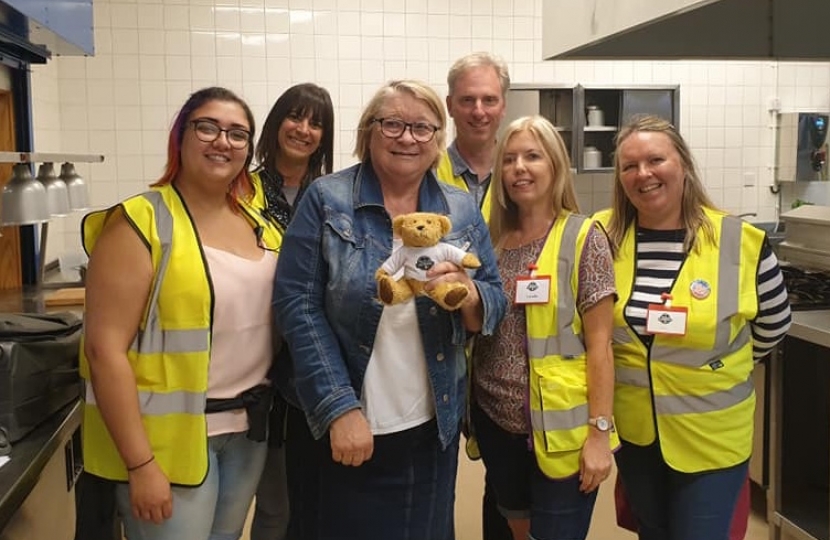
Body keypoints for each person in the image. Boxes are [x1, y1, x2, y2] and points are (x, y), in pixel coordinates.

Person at [273, 79, 507, 539]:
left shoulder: (460, 210)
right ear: (370, 130)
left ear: (438, 140)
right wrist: (339, 407)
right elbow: (296, 305)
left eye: (422, 128)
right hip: (342, 426)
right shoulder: (327, 199)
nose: (407, 138)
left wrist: (472, 294)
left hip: (429, 428)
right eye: (394, 124)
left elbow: (494, 296)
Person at [80, 87, 282, 540]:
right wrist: (140, 464)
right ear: (181, 137)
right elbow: (103, 350)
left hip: (247, 430)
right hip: (164, 443)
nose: (222, 142)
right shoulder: (140, 221)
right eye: (207, 127)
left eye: (237, 134)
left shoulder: (260, 226)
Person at [594, 115, 792, 540]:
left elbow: (774, 325)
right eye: (629, 166)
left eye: (655, 160)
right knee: (654, 531)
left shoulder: (740, 241)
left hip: (711, 436)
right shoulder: (603, 236)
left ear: (682, 163)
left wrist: (717, 364)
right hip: (637, 432)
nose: (642, 174)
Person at [471, 115, 618, 540]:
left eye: (532, 156)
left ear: (554, 164)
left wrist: (599, 434)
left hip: (562, 430)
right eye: (510, 159)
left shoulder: (583, 236)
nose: (520, 168)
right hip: (497, 424)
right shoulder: (492, 241)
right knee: (514, 530)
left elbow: (601, 346)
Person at [249, 82, 334, 540]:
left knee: (314, 501)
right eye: (295, 117)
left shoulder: (331, 196)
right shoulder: (243, 188)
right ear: (276, 121)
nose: (303, 130)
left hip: (313, 365)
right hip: (253, 361)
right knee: (271, 504)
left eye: (316, 122)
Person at [436, 51, 513, 540]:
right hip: (440, 347)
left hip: (508, 349)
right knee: (437, 480)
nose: (478, 110)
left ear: (503, 105)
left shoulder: (524, 167)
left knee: (505, 488)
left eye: (489, 99)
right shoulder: (427, 168)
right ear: (450, 105)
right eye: (468, 99)